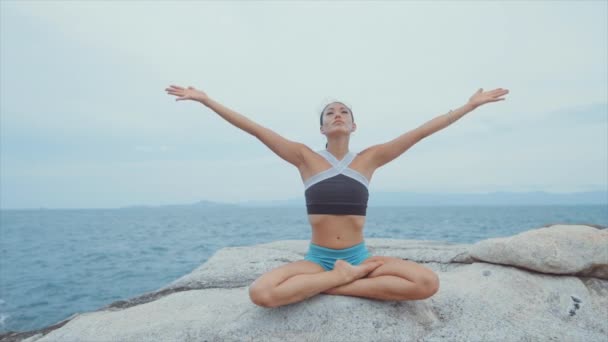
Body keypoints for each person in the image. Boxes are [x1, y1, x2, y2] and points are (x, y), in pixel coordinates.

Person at [165, 84, 509, 308]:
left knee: (426, 283)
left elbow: (419, 132)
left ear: (354, 126)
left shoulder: (369, 159)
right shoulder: (304, 157)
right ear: (322, 128)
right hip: (317, 260)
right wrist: (208, 101)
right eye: (330, 113)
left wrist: (469, 106)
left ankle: (333, 285)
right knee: (261, 293)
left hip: (358, 257)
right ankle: (339, 279)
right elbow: (256, 129)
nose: (338, 115)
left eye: (344, 111)